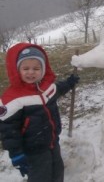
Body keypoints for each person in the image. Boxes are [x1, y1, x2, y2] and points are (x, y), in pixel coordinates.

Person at [0, 43, 80, 182]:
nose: (31, 72)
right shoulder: (12, 99)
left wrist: (69, 82)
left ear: (43, 70)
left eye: (36, 68)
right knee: (40, 177)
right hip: (33, 150)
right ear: (17, 70)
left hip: (53, 142)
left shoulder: (47, 88)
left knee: (57, 171)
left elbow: (59, 89)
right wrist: (16, 154)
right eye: (25, 68)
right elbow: (8, 130)